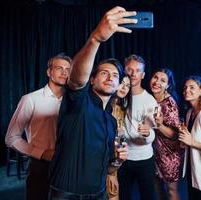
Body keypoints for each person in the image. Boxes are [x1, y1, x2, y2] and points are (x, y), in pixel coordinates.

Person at [48, 6, 136, 200]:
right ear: (93, 79)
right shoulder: (79, 102)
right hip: (67, 194)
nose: (110, 78)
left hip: (99, 193)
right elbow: (77, 80)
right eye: (104, 73)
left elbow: (107, 167)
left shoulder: (111, 122)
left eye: (115, 76)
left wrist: (118, 162)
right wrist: (95, 39)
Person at [5, 53, 72, 200]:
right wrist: (41, 153)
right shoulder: (30, 99)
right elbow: (11, 138)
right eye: (59, 68)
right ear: (49, 72)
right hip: (40, 166)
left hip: (68, 165)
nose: (64, 72)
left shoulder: (74, 101)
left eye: (68, 69)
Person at [118, 54, 158, 200]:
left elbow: (152, 133)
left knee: (147, 196)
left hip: (144, 159)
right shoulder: (118, 95)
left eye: (138, 70)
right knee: (123, 196)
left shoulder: (149, 100)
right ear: (124, 71)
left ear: (143, 75)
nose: (133, 73)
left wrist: (147, 134)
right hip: (121, 158)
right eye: (130, 69)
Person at [149, 68, 184, 200]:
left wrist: (159, 125)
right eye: (155, 77)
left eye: (162, 80)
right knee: (157, 187)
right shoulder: (151, 99)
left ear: (168, 86)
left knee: (171, 191)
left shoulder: (169, 104)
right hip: (155, 152)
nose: (157, 82)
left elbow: (175, 135)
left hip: (169, 154)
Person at [107, 74, 132, 200]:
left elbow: (120, 139)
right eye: (122, 83)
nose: (124, 88)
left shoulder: (121, 109)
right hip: (101, 164)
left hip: (114, 164)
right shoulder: (104, 106)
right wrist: (110, 173)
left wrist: (115, 167)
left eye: (128, 85)